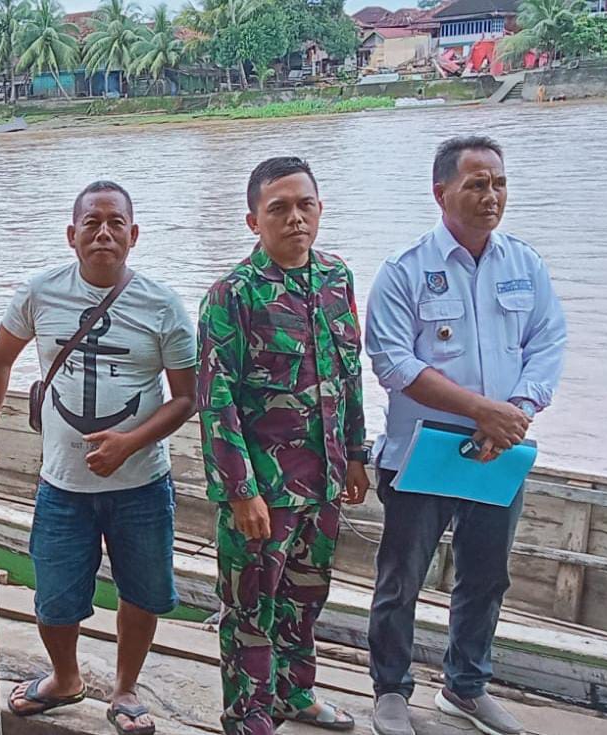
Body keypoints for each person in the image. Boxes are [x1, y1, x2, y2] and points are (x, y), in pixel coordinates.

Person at [0, 181, 197, 735]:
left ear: (134, 235)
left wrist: (129, 443)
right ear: (72, 235)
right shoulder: (39, 293)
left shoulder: (163, 305)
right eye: (92, 223)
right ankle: (65, 678)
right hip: (62, 485)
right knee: (55, 598)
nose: (103, 233)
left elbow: (187, 397)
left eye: (116, 223)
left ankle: (125, 688)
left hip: (142, 485)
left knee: (142, 592)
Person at [363, 135, 567, 735]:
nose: (491, 196)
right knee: (401, 579)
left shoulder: (524, 265)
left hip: (498, 452)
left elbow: (548, 342)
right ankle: (391, 690)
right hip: (422, 452)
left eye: (498, 183)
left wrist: (516, 412)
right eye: (476, 184)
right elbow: (393, 362)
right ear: (441, 193)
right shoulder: (405, 270)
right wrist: (482, 410)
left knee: (486, 576)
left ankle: (465, 687)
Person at [195, 157, 368, 735]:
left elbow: (348, 376)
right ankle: (248, 715)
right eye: (279, 209)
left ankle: (295, 695)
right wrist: (240, 492)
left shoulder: (336, 279)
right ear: (254, 221)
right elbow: (215, 402)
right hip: (263, 492)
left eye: (305, 205)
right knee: (250, 607)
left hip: (324, 483)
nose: (296, 218)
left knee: (305, 599)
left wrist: (357, 455)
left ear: (319, 209)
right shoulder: (233, 296)